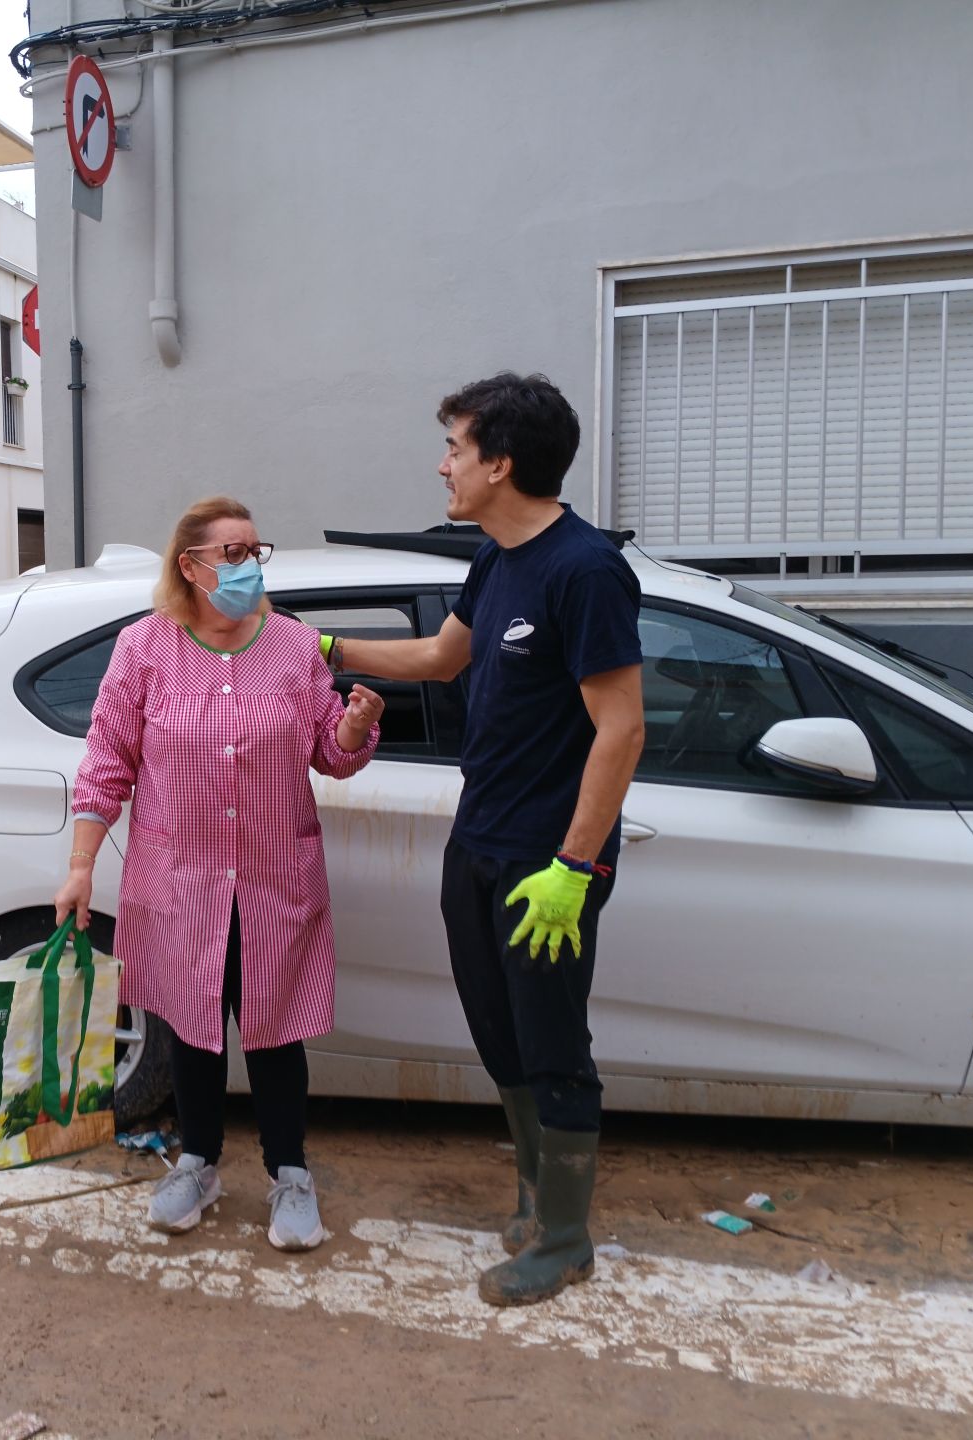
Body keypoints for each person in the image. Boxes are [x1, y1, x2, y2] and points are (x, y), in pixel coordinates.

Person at [319, 373, 644, 1305]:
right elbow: (437, 658)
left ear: (501, 464)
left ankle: (567, 1239)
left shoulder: (585, 570)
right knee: (498, 1034)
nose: (443, 464)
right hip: (481, 839)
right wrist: (316, 646)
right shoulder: (497, 560)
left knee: (551, 1042)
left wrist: (574, 869)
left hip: (550, 859)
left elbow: (621, 729)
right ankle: (536, 1195)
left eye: (455, 448)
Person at [57, 495, 384, 1251]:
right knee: (191, 1027)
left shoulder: (296, 647)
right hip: (181, 881)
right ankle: (197, 1162)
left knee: (275, 1033)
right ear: (190, 566)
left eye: (254, 552)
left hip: (275, 877)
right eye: (230, 554)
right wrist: (80, 866)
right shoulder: (144, 649)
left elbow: (328, 756)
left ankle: (290, 1175)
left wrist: (355, 727)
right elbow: (107, 765)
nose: (246, 566)